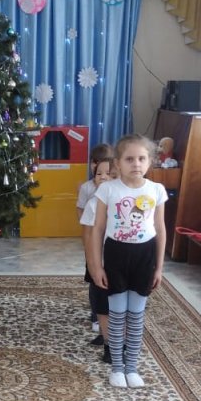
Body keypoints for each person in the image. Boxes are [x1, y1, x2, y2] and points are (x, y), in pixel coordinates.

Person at [90, 134, 167, 389]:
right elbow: (98, 229)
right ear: (118, 163)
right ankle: (117, 368)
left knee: (136, 314)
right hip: (116, 255)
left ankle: (131, 367)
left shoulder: (156, 190)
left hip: (144, 256)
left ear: (150, 161)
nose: (136, 164)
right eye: (129, 159)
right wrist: (97, 266)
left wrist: (159, 267)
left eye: (142, 158)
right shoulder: (108, 190)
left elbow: (160, 228)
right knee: (117, 314)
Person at [80, 156, 118, 364]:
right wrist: (93, 265)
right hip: (98, 262)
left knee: (119, 303)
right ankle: (107, 341)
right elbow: (87, 237)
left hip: (121, 262)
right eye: (99, 173)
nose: (103, 177)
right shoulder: (93, 204)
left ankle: (119, 340)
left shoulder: (124, 202)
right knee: (101, 302)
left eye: (110, 174)